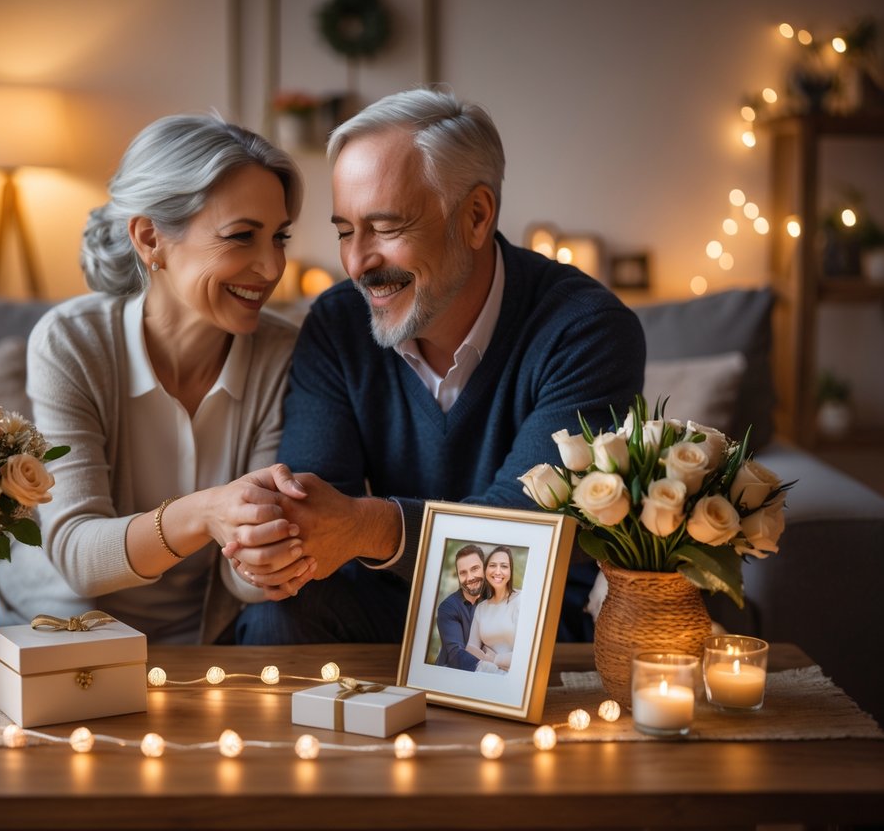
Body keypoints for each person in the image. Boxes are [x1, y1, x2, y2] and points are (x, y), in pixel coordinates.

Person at [227, 88, 645, 644]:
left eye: (387, 227)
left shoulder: (587, 329)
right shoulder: (336, 323)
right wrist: (276, 541)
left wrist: (368, 527)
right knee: (272, 622)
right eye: (345, 232)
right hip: (382, 607)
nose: (357, 263)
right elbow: (316, 510)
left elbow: (525, 542)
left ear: (475, 216)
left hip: (521, 621)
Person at [0, 114, 315, 645]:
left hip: (201, 644)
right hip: (56, 631)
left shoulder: (284, 353)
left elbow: (247, 575)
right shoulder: (72, 342)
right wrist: (207, 512)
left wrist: (267, 557)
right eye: (241, 237)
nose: (271, 265)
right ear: (149, 238)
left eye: (279, 237)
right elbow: (77, 555)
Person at [464, 546, 521, 674]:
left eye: (504, 566)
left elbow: (526, 653)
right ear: (485, 570)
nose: (498, 571)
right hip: (485, 672)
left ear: (511, 571)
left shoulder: (521, 601)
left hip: (515, 676)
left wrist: (494, 659)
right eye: (493, 565)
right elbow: (471, 648)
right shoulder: (482, 608)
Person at [434, 544, 486, 670]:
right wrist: (492, 671)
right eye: (463, 573)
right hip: (450, 675)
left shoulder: (494, 600)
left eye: (474, 569)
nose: (470, 578)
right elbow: (456, 655)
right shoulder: (448, 608)